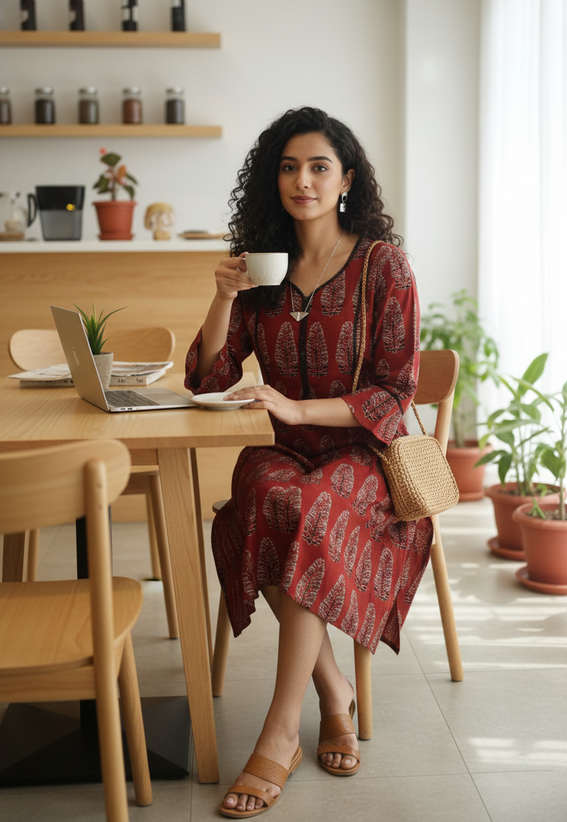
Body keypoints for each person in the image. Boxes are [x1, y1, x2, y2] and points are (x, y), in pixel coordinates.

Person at [184, 106, 433, 818]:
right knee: (266, 495)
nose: (303, 180)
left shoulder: (384, 266)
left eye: (319, 166)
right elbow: (209, 377)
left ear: (346, 178)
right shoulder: (261, 268)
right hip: (282, 456)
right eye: (289, 167)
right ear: (274, 181)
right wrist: (223, 296)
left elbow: (394, 390)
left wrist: (297, 409)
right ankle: (333, 691)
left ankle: (280, 731)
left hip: (363, 456)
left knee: (315, 507)